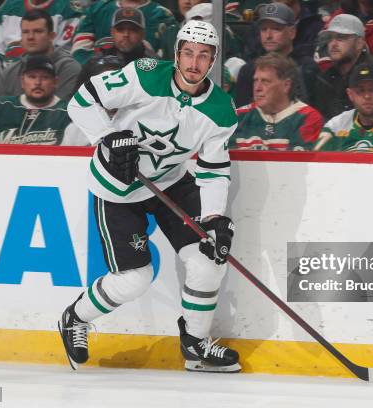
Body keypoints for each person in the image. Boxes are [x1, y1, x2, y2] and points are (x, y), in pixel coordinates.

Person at [59, 20, 241, 373]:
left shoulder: (221, 110)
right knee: (134, 279)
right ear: (176, 54)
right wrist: (108, 136)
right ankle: (75, 318)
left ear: (213, 60)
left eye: (203, 55)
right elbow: (81, 102)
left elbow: (214, 169)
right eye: (187, 53)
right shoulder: (143, 76)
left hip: (170, 182)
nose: (193, 63)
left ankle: (195, 344)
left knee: (208, 260)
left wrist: (215, 218)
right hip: (118, 186)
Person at [0, 55, 76, 144]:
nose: (37, 82)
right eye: (32, 77)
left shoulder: (68, 113)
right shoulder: (0, 106)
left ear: (55, 82)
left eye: (45, 77)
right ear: (22, 81)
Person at [231, 53, 323, 150]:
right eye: (255, 81)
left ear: (286, 85)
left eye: (265, 81)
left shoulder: (307, 118)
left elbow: (297, 163)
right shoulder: (237, 117)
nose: (257, 88)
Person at [234, 2, 318, 107]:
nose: (268, 36)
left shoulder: (306, 67)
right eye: (264, 29)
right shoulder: (249, 70)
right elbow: (241, 113)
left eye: (276, 29)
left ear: (292, 32)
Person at [313, 14, 373, 121]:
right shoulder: (325, 77)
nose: (333, 44)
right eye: (330, 38)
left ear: (359, 43)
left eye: (341, 38)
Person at [0, 10, 81, 101]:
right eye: (25, 32)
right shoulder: (10, 72)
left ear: (51, 36)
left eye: (38, 31)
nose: (30, 37)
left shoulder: (69, 68)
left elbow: (61, 110)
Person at [71, 0, 176, 64]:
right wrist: (99, 68)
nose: (126, 34)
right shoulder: (97, 9)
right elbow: (79, 51)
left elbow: (168, 59)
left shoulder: (162, 15)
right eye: (120, 30)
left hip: (143, 79)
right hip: (98, 75)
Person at [0, 0, 82, 63]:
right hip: (8, 77)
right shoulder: (7, 7)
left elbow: (64, 56)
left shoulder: (69, 9)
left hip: (48, 77)